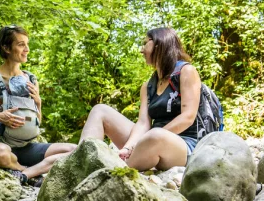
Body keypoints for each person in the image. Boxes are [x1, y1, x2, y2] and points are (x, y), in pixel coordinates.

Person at [79, 27, 201, 170]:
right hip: (149, 140)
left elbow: (188, 117)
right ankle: (81, 162)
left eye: (145, 43)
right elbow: (143, 123)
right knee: (100, 110)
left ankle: (119, 173)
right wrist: (128, 147)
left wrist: (148, 138)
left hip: (183, 145)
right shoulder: (148, 86)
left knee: (155, 136)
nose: (141, 50)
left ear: (159, 43)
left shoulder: (186, 71)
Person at [0, 25, 75, 184]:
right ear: (6, 48)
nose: (27, 49)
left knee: (73, 149)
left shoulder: (31, 79)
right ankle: (27, 172)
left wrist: (38, 103)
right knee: (0, 152)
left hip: (26, 148)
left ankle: (25, 173)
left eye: (27, 44)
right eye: (21, 44)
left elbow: (37, 121)